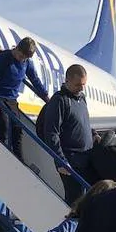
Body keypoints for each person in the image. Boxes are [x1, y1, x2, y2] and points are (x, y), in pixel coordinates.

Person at [36, 64, 95, 204]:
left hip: (86, 158)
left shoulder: (81, 98)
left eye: (84, 85)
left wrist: (93, 134)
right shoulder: (59, 101)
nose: (81, 88)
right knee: (75, 202)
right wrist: (61, 161)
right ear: (67, 81)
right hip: (71, 162)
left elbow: (82, 122)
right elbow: (51, 133)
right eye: (78, 85)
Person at [0, 38, 49, 159]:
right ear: (17, 48)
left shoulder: (26, 63)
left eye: (25, 58)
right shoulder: (3, 58)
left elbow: (35, 80)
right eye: (20, 55)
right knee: (4, 128)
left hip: (12, 100)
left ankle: (20, 161)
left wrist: (46, 96)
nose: (21, 59)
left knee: (18, 130)